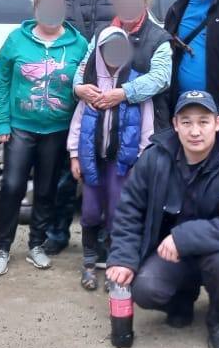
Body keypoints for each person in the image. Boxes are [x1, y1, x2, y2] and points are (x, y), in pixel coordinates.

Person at [106, 91, 219, 348]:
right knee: (145, 289)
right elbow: (130, 210)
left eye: (203, 121)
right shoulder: (154, 158)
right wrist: (122, 258)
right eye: (187, 122)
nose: (195, 131)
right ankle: (182, 297)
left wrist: (183, 238)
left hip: (217, 253)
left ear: (218, 123)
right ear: (175, 124)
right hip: (170, 256)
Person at [0, 0, 89, 275]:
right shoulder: (16, 40)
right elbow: (1, 82)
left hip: (57, 129)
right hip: (21, 127)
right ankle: (2, 246)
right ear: (36, 8)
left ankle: (36, 244)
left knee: (46, 190)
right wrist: (1, 121)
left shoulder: (78, 43)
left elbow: (83, 83)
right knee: (11, 186)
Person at [46, 0, 122, 255]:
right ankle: (57, 232)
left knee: (106, 173)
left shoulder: (122, 0)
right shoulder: (63, 0)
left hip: (108, 100)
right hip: (68, 98)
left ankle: (104, 237)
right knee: (64, 172)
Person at [67, 26, 156, 290]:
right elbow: (78, 122)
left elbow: (147, 127)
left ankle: (114, 263)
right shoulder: (90, 87)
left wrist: (141, 157)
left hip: (123, 163)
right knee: (91, 209)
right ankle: (89, 261)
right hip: (93, 160)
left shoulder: (134, 87)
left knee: (118, 211)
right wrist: (74, 156)